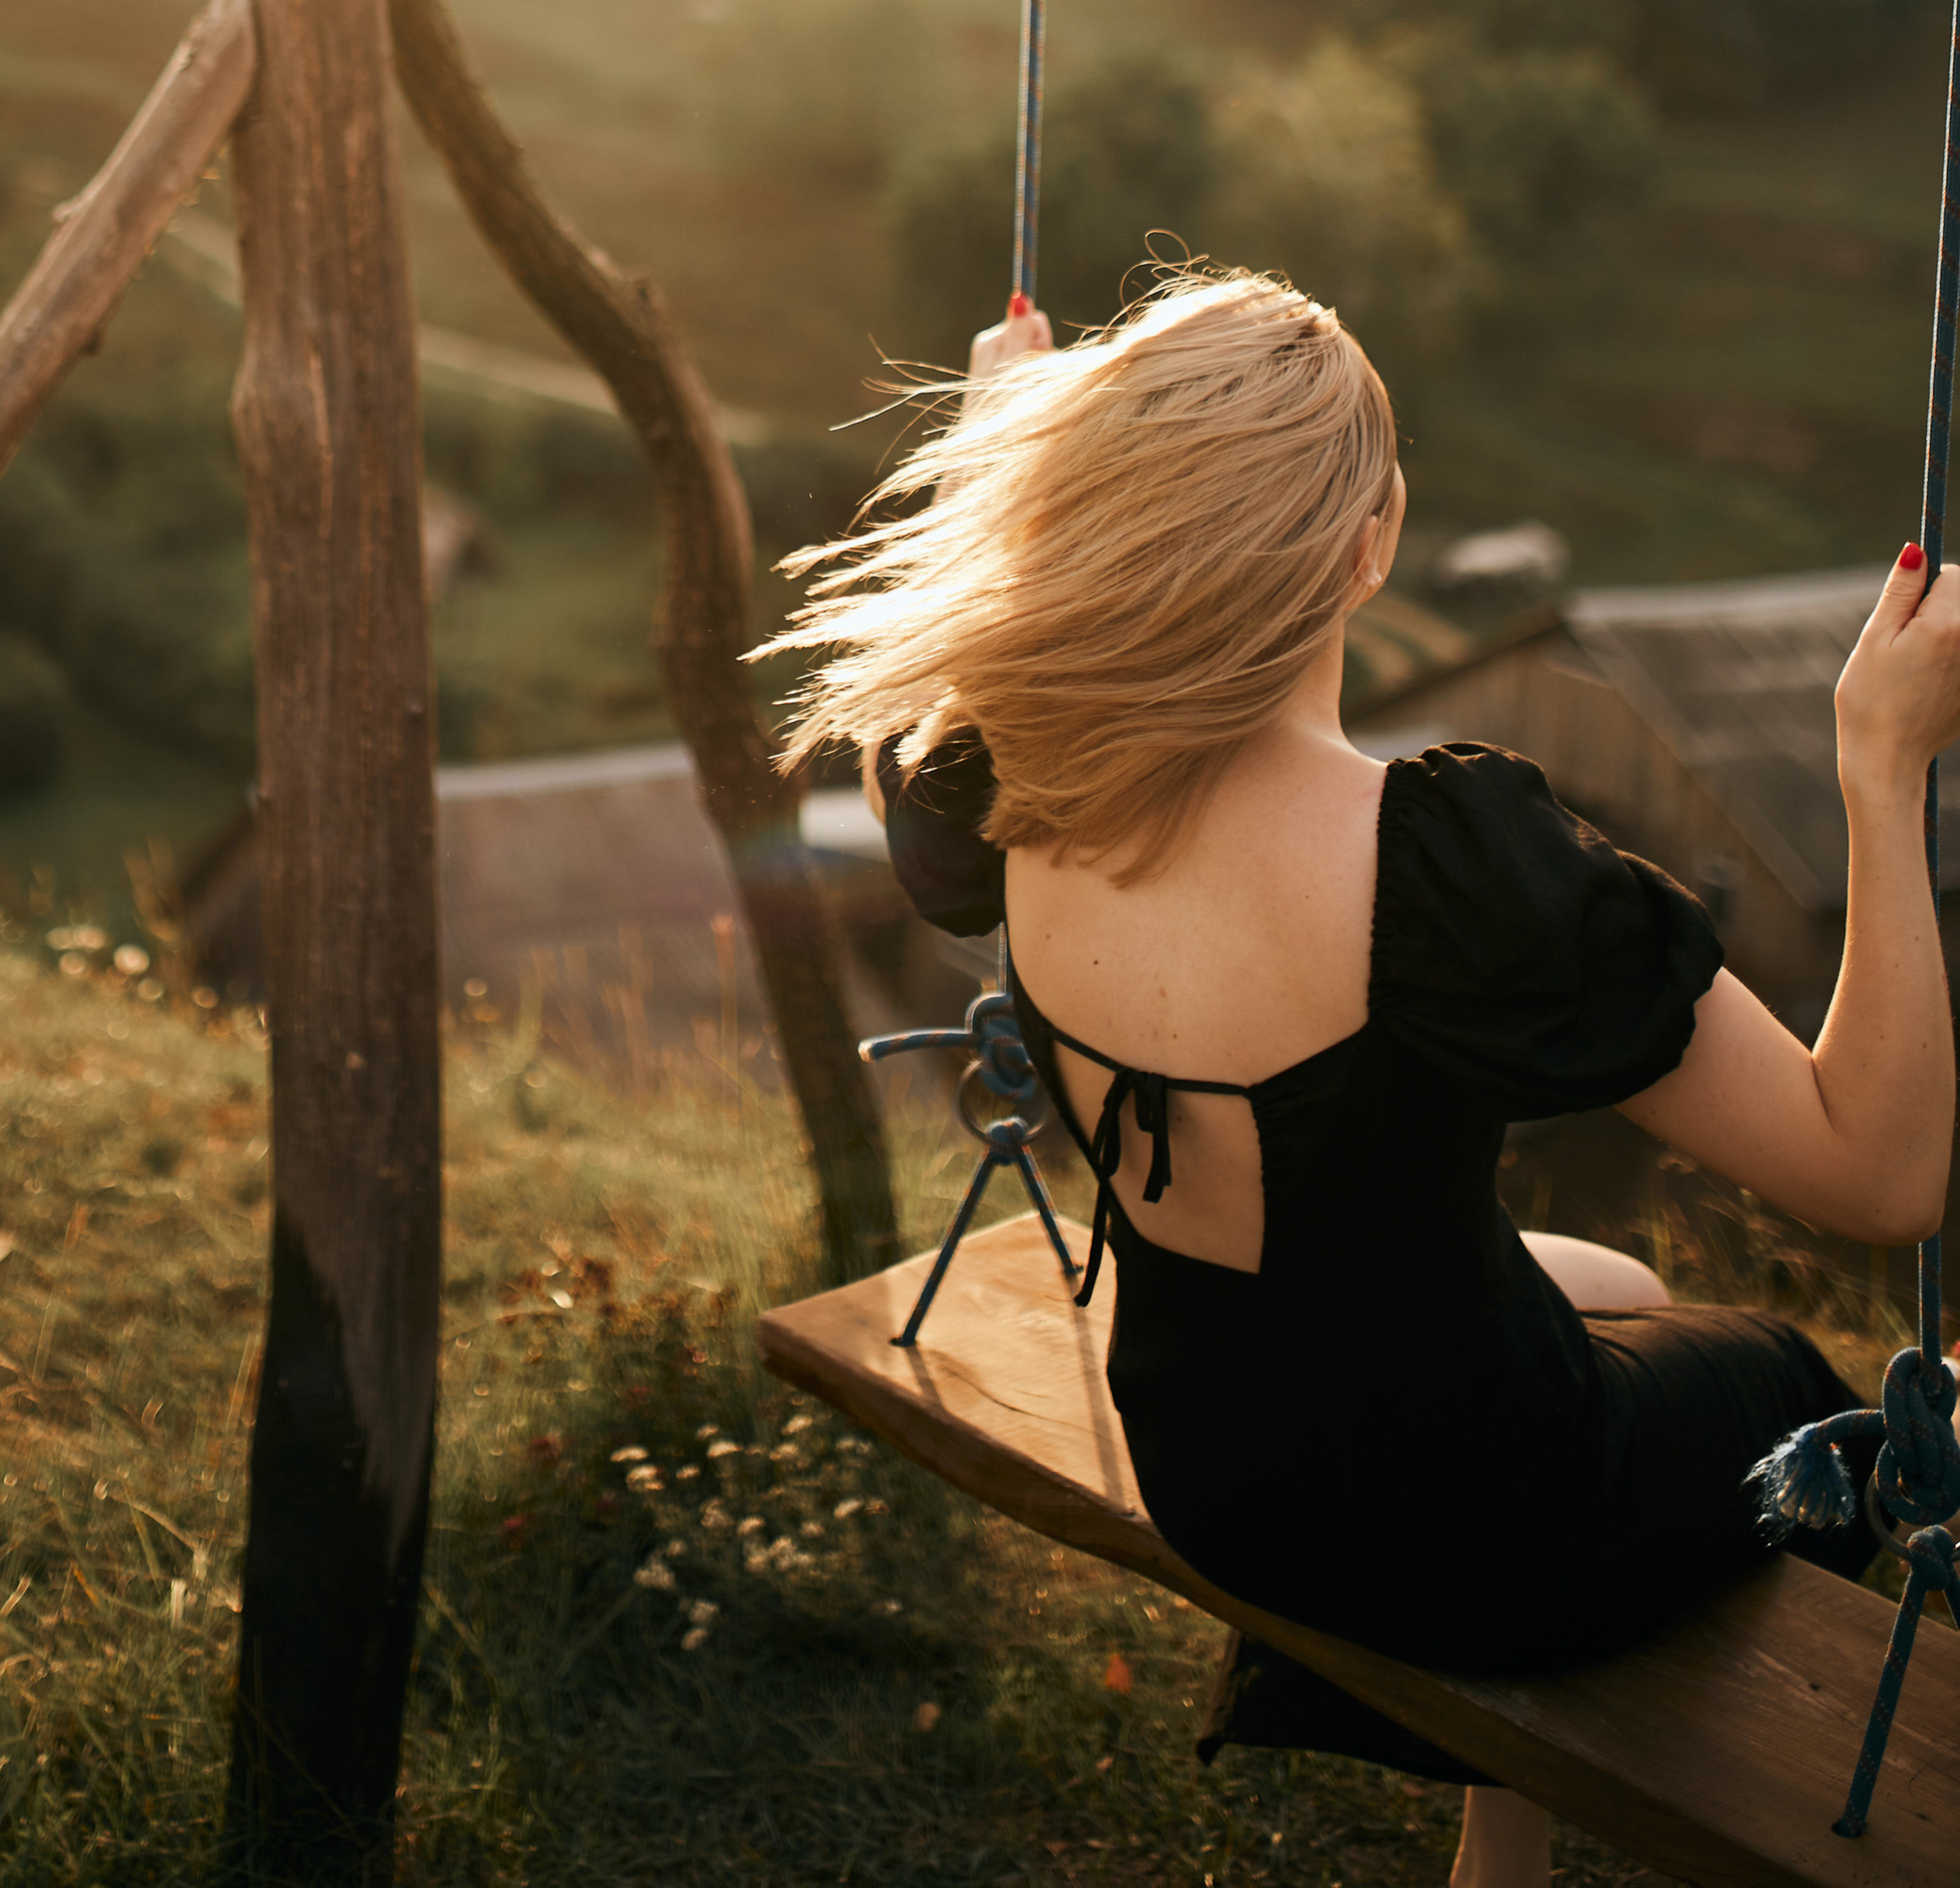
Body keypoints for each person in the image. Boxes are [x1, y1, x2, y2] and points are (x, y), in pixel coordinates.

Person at [766, 269, 1960, 1888]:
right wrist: (1883, 765)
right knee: (1789, 1380)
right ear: (1371, 544)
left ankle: (1501, 1841)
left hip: (1214, 1460)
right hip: (1477, 1530)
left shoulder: (998, 776)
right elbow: (1878, 1172)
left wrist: (1004, 428)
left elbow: (927, 733)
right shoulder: (1439, 867)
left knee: (1611, 1286)